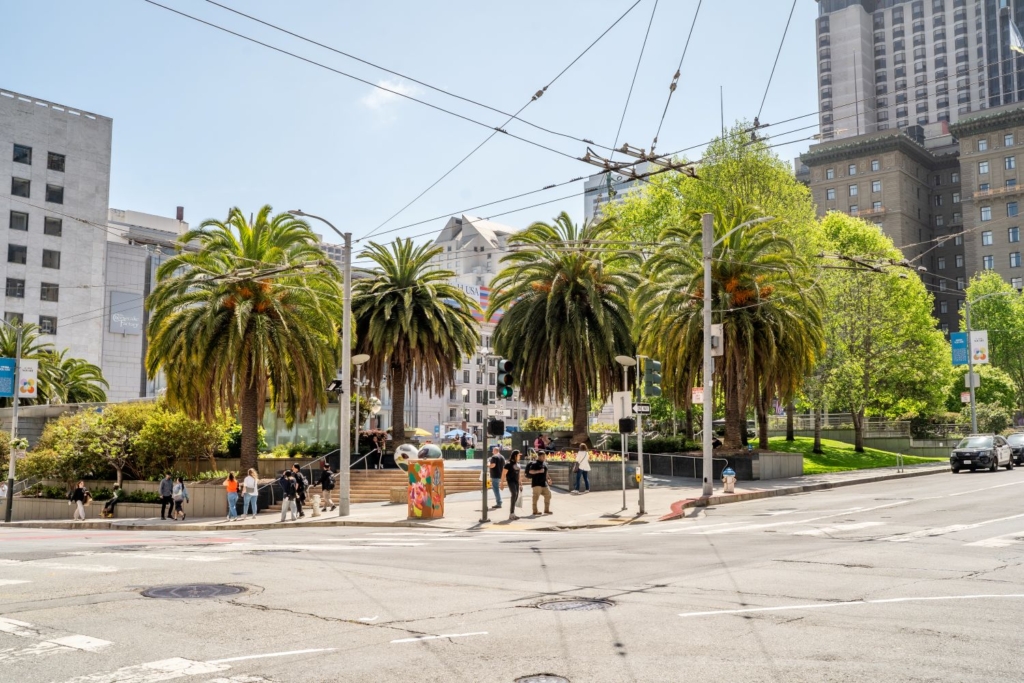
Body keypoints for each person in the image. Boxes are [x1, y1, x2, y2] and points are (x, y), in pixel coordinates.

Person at [504, 450, 522, 521]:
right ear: (515, 456)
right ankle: (511, 514)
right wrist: (502, 483)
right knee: (514, 494)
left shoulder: (518, 464)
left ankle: (513, 513)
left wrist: (521, 483)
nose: (519, 457)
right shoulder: (508, 464)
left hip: (516, 482)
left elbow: (519, 474)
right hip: (510, 481)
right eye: (518, 455)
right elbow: (503, 473)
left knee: (516, 496)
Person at [488, 445, 506, 510]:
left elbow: (493, 465)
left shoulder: (494, 457)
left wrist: (488, 465)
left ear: (495, 451)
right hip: (500, 475)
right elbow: (504, 466)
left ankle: (499, 502)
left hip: (495, 475)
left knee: (496, 489)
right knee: (496, 488)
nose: (492, 452)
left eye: (493, 451)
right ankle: (499, 502)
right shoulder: (502, 457)